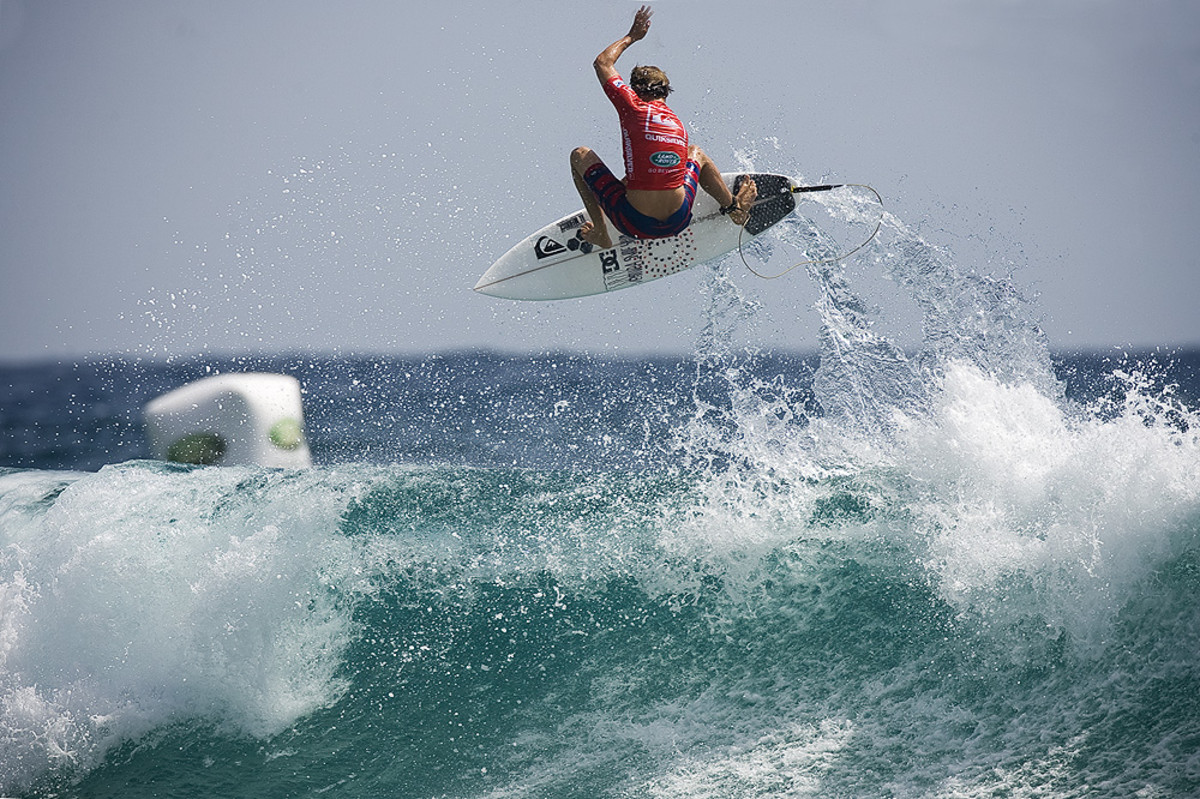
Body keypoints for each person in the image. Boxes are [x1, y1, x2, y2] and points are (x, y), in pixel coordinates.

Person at [570, 5, 757, 250]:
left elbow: (602, 62)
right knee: (695, 153)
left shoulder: (632, 106)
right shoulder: (677, 124)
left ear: (634, 90)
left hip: (632, 221)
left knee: (579, 155)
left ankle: (601, 234)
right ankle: (732, 207)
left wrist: (632, 37)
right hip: (679, 219)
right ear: (666, 93)